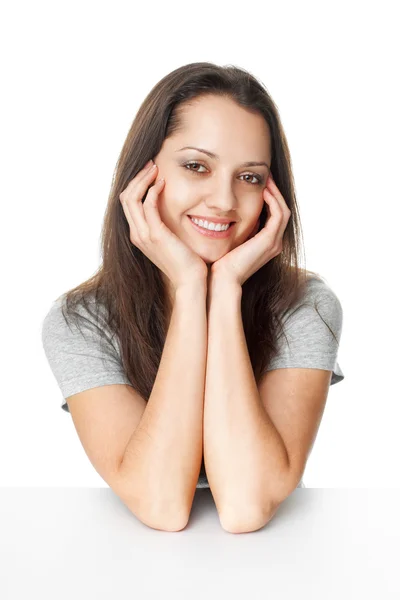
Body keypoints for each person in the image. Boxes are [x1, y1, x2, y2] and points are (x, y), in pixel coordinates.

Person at [41, 62, 344, 531]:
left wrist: (224, 291)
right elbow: (160, 505)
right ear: (142, 175)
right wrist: (188, 288)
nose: (224, 201)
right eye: (196, 166)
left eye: (249, 177)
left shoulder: (305, 305)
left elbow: (247, 505)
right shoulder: (80, 320)